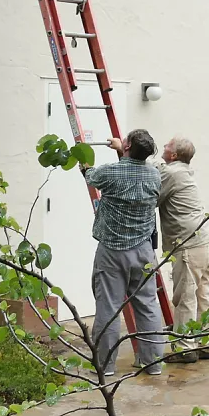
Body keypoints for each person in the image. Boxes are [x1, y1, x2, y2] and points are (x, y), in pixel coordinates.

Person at [83, 130, 166, 376]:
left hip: (112, 252)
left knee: (108, 308)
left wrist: (85, 163)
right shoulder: (154, 175)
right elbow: (131, 171)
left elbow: (91, 176)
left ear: (128, 145)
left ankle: (105, 367)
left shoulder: (110, 173)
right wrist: (123, 150)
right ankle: (152, 364)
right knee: (147, 306)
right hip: (143, 251)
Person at [156, 136, 209, 365]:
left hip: (188, 245)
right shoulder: (184, 171)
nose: (164, 147)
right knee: (203, 294)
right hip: (203, 241)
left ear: (173, 155)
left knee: (186, 297)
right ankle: (208, 343)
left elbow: (153, 195)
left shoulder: (171, 174)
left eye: (167, 146)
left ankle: (184, 347)